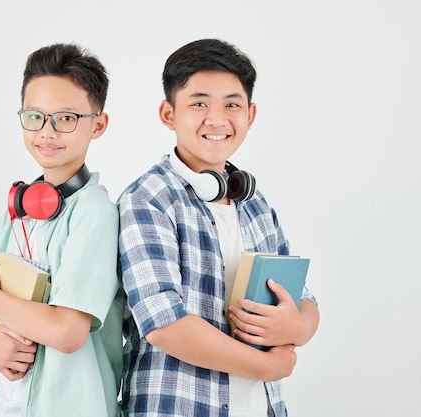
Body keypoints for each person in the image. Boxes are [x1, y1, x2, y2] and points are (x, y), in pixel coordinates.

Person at [117, 38, 320, 417]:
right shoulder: (148, 199)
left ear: (250, 114)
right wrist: (268, 366)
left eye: (232, 104)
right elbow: (164, 325)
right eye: (198, 103)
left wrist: (299, 327)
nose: (217, 118)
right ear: (168, 113)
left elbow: (304, 298)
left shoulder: (255, 202)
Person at [0, 43, 123, 417]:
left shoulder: (94, 213)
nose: (47, 132)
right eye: (34, 116)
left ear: (98, 124)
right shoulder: (19, 210)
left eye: (66, 118)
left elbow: (66, 333)